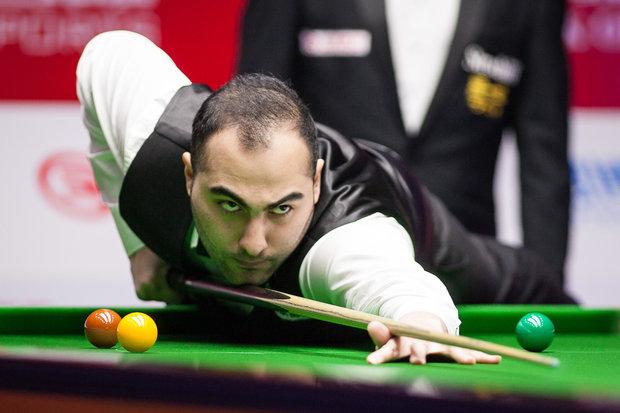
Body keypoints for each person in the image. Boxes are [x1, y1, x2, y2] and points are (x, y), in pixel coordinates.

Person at [77, 31, 572, 366]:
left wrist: (422, 324)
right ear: (188, 174)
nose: (254, 243)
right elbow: (106, 54)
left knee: (510, 276)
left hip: (418, 219)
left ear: (314, 185)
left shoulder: (345, 243)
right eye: (229, 205)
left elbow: (401, 288)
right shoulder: (155, 144)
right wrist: (138, 244)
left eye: (281, 209)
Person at [238, 0, 571, 280]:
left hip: (465, 266)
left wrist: (548, 286)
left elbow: (544, 154)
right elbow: (256, 120)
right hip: (326, 253)